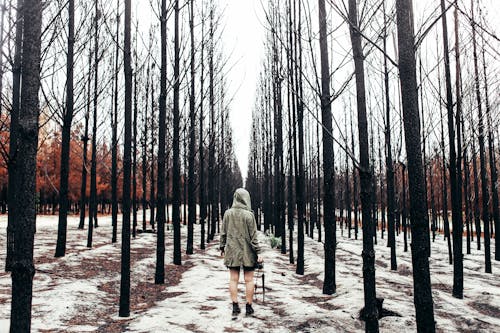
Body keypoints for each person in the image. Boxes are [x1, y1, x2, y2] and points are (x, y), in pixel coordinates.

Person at [220, 188, 263, 316]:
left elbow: (223, 232)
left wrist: (222, 247)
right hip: (248, 252)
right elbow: (253, 237)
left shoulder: (227, 213)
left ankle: (235, 306)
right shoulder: (249, 215)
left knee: (233, 279)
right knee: (249, 280)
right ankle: (249, 307)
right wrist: (258, 252)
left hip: (232, 251)